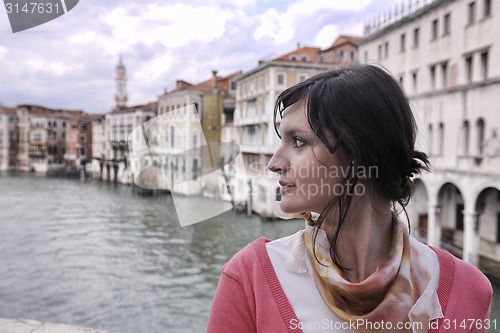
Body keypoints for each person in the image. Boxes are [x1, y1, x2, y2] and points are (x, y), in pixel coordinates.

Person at [207, 65, 493, 333]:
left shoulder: (468, 290)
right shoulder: (249, 277)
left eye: (298, 142)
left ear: (360, 153)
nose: (274, 163)